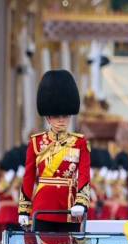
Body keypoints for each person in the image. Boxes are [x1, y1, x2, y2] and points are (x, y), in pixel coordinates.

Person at [18, 69, 91, 232]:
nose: (61, 121)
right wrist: (24, 208)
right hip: (43, 207)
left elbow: (84, 175)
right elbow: (29, 176)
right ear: (48, 117)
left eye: (65, 116)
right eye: (56, 116)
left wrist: (81, 202)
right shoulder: (36, 142)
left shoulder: (80, 142)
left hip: (70, 207)